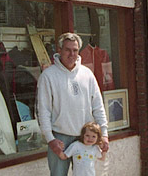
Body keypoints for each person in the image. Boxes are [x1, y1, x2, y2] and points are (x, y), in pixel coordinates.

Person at [37, 32, 108, 176]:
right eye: (67, 50)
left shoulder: (87, 74)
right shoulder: (48, 76)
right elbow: (42, 111)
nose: (71, 54)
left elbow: (98, 106)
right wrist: (50, 139)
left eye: (75, 50)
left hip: (85, 139)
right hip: (59, 139)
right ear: (59, 50)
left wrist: (104, 134)